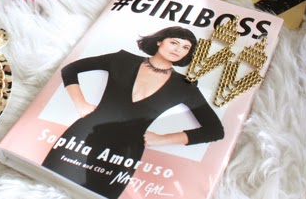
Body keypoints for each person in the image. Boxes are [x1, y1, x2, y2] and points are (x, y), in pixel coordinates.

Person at [42, 26, 224, 198]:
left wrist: (162, 139)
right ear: (159, 41)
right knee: (45, 186)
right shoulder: (122, 59)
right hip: (82, 136)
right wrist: (80, 104)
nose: (178, 49)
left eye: (185, 47)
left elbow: (215, 130)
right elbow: (71, 69)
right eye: (174, 42)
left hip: (125, 153)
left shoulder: (184, 86)